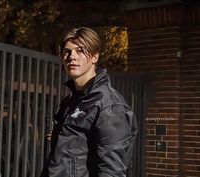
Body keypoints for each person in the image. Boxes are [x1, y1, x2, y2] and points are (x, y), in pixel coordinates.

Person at [42, 27, 138, 177]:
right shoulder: (70, 102)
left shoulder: (109, 104)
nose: (71, 57)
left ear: (95, 57)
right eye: (67, 51)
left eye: (80, 51)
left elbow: (111, 171)